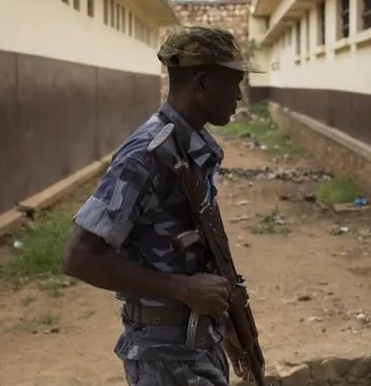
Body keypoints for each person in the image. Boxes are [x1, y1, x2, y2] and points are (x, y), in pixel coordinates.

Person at [62, 25, 264, 386]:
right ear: (201, 83)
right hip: (164, 358)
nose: (239, 94)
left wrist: (229, 321)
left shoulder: (190, 150)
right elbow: (79, 256)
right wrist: (184, 290)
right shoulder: (145, 156)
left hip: (197, 343)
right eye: (233, 81)